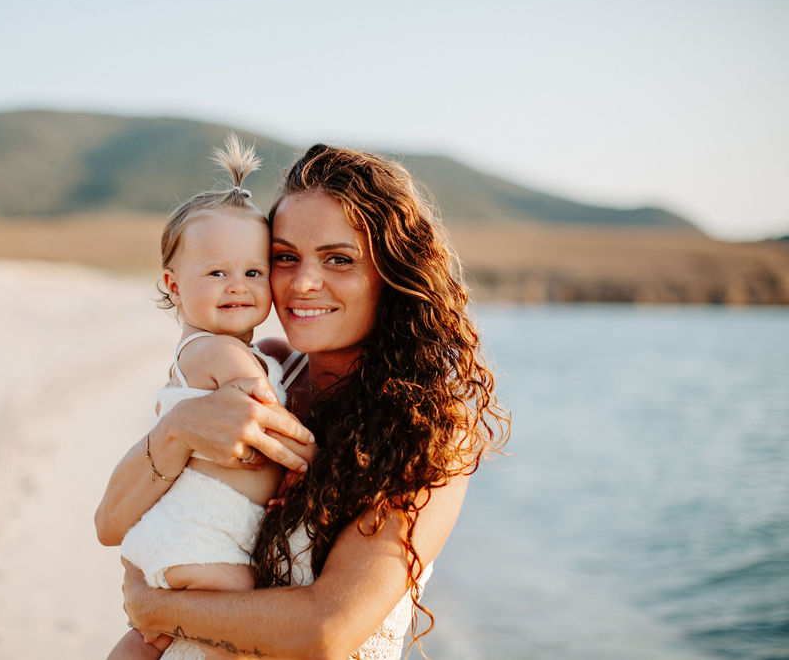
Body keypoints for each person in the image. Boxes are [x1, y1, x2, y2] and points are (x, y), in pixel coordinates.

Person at [96, 143, 509, 659]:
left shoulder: (430, 434)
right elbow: (109, 524)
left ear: (393, 274)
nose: (304, 283)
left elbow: (326, 631)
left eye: (338, 259)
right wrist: (177, 428)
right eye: (286, 258)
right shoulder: (265, 371)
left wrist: (154, 609)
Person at [107, 135, 316, 660]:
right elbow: (262, 406)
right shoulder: (214, 352)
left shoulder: (232, 351)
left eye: (253, 272)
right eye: (216, 273)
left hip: (189, 534)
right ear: (173, 287)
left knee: (148, 639)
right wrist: (310, 459)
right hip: (200, 536)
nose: (238, 286)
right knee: (241, 620)